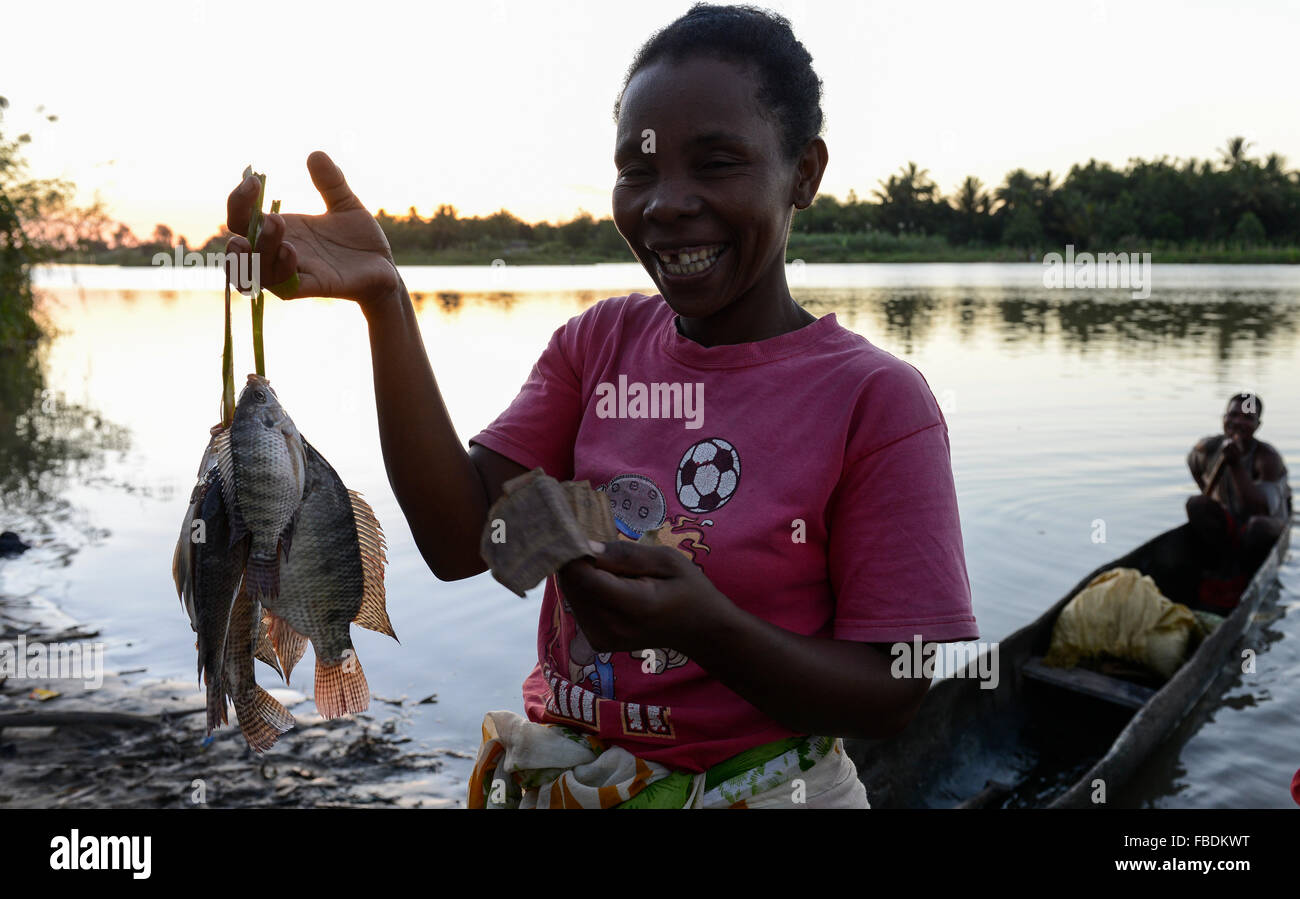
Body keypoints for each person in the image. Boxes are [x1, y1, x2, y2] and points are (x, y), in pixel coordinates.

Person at [223, 4, 976, 808]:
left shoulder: (875, 402)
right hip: (570, 784)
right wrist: (386, 301)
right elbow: (460, 539)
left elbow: (893, 691)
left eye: (717, 162)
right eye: (639, 170)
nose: (667, 204)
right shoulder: (599, 345)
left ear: (805, 173)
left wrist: (705, 627)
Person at [1186, 393, 1290, 577]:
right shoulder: (1208, 447)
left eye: (1247, 418)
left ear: (1258, 425)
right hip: (1230, 523)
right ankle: (1220, 560)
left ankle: (1240, 571)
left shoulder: (1266, 458)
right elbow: (1193, 464)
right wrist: (1210, 497)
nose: (1238, 422)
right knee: (1196, 503)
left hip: (1265, 524)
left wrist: (1236, 466)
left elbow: (1260, 510)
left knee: (1257, 526)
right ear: (1224, 419)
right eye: (1233, 415)